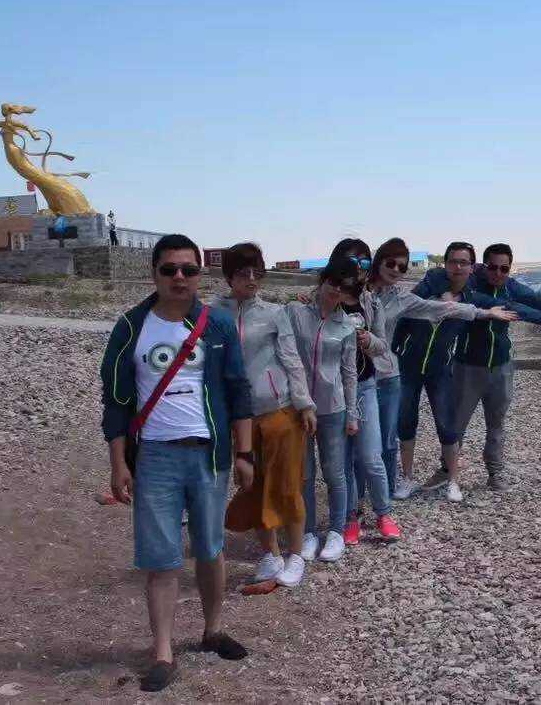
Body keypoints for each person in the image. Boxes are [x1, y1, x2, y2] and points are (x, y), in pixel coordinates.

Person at [99, 233, 254, 692]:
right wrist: (118, 463)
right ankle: (163, 652)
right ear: (155, 273)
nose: (179, 277)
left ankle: (212, 630)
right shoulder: (131, 327)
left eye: (189, 269)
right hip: (155, 458)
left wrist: (244, 454)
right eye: (170, 269)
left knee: (210, 547)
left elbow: (239, 391)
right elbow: (115, 401)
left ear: (200, 274)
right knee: (161, 556)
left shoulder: (217, 325)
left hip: (209, 454)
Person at [348, 237, 516, 537]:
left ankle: (389, 500)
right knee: (380, 437)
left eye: (402, 266)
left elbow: (448, 309)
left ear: (471, 267)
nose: (396, 269)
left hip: (405, 373)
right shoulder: (363, 292)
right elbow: (335, 305)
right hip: (377, 373)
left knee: (408, 435)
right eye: (391, 263)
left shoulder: (408, 298)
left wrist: (489, 313)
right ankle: (361, 504)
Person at [393, 241, 541, 502]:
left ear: (473, 267)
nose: (498, 273)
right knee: (420, 424)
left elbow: (519, 305)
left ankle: (479, 476)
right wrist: (394, 350)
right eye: (453, 261)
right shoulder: (432, 286)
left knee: (478, 425)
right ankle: (419, 476)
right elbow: (404, 315)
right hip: (446, 368)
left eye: (504, 268)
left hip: (479, 367)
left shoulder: (480, 295)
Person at [214, 243, 318, 588]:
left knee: (288, 484)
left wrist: (305, 404)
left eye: (257, 272)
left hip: (279, 409)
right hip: (239, 417)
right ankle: (271, 555)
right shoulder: (213, 314)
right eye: (243, 272)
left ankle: (296, 556)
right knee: (253, 486)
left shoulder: (275, 313)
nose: (251, 279)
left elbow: (291, 359)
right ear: (228, 276)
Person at [450, 243, 541, 491]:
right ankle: (447, 472)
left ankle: (495, 474)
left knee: (496, 425)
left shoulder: (510, 285)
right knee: (457, 425)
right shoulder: (470, 285)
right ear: (483, 266)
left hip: (501, 366)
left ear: (509, 269)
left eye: (504, 269)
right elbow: (509, 307)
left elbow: (535, 298)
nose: (498, 273)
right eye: (493, 267)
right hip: (468, 366)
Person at [286, 256, 361, 563]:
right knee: (304, 473)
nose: (336, 290)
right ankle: (307, 533)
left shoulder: (347, 326)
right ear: (322, 281)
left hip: (333, 408)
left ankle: (336, 532)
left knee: (335, 472)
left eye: (343, 287)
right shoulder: (295, 313)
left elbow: (350, 373)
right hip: (299, 406)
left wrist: (353, 413)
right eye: (332, 282)